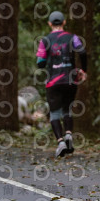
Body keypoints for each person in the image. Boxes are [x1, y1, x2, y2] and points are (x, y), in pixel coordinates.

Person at [37, 11, 87, 158]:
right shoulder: (73, 37)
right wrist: (83, 70)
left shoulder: (45, 40)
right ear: (64, 22)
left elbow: (40, 63)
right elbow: (83, 52)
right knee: (67, 109)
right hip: (70, 80)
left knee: (54, 113)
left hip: (53, 81)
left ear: (49, 24)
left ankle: (60, 143)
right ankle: (69, 135)